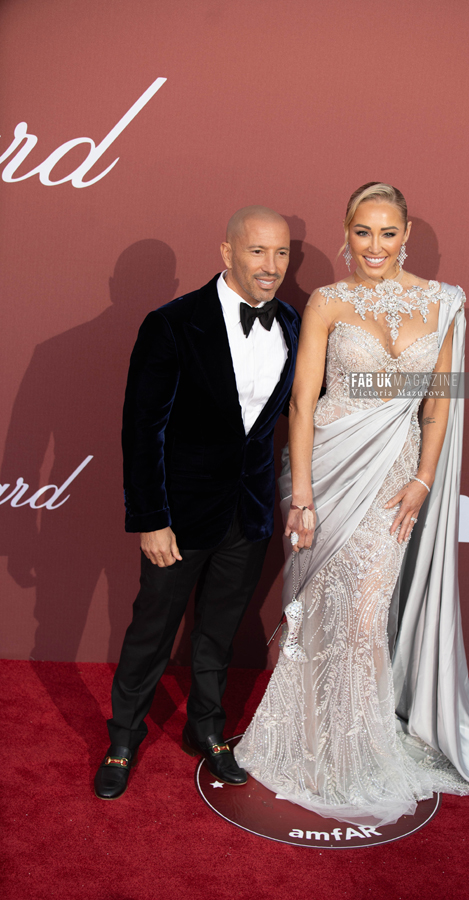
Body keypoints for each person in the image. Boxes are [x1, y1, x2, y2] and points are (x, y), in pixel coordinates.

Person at [235, 183, 469, 827]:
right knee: (324, 608)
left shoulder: (444, 302)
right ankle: (314, 740)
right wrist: (302, 493)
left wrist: (425, 478)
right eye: (362, 232)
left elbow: (440, 401)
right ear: (347, 233)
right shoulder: (328, 302)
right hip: (329, 469)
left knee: (365, 613)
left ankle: (356, 748)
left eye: (387, 233)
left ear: (405, 236)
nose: (374, 246)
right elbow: (302, 403)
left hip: (395, 475)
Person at [94, 207, 301, 800]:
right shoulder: (172, 323)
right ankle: (123, 739)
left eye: (281, 253)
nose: (271, 265)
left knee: (218, 632)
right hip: (178, 516)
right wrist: (151, 519)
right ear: (227, 252)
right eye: (257, 251)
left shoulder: (292, 321)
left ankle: (206, 730)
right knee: (152, 630)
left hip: (249, 511)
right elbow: (142, 430)